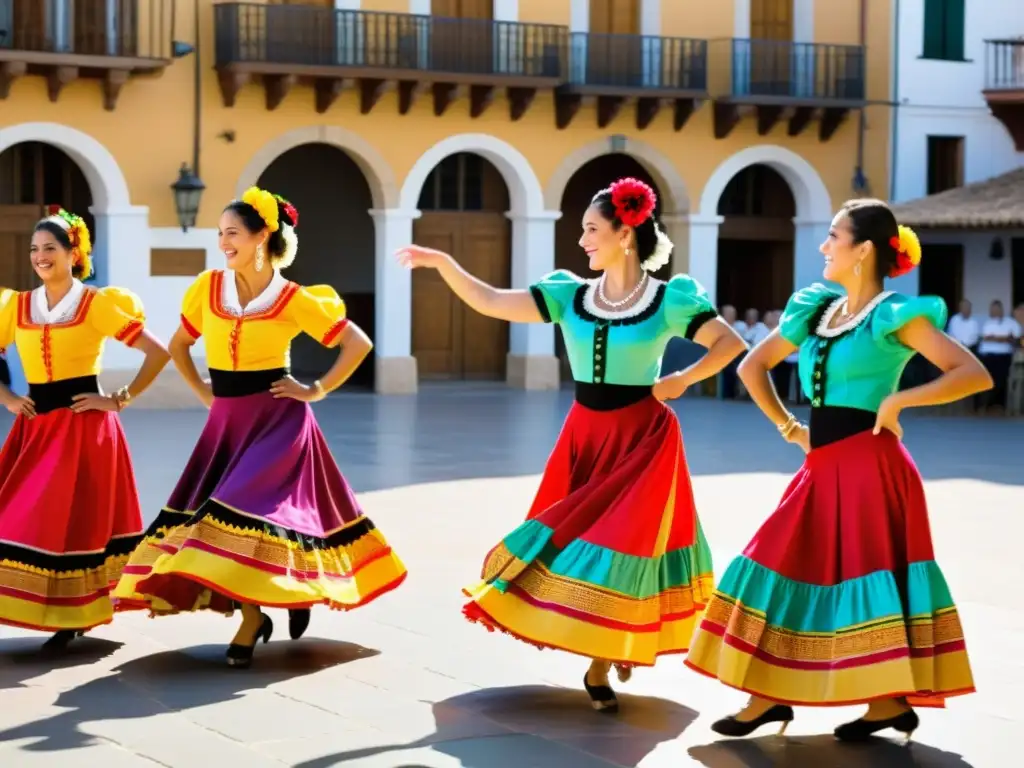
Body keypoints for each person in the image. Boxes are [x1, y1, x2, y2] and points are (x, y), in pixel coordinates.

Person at [397, 177, 747, 712]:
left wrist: (683, 379)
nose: (582, 240)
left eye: (591, 229)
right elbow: (492, 301)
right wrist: (444, 263)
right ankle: (609, 637)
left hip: (641, 440)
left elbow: (730, 343)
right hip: (585, 435)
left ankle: (602, 658)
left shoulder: (668, 300)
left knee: (624, 542)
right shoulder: (570, 295)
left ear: (625, 234)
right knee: (573, 536)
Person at [685, 199, 992, 741]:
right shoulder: (818, 310)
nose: (824, 246)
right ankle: (781, 696)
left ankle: (873, 702)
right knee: (786, 561)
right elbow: (753, 364)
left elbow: (972, 373)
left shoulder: (894, 315)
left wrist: (897, 404)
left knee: (856, 573)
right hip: (825, 463)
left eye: (833, 236)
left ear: (864, 250)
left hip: (872, 467)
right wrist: (790, 428)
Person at [113, 187, 407, 668]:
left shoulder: (294, 297)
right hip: (227, 421)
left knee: (244, 511)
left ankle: (256, 617)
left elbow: (357, 343)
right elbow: (179, 344)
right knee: (215, 518)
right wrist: (204, 393)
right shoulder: (207, 288)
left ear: (262, 236)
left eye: (232, 233)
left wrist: (316, 390)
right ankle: (256, 611)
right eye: (221, 234)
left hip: (278, 421)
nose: (224, 242)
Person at [0, 207, 171, 650]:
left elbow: (157, 353)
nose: (40, 256)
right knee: (21, 516)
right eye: (35, 249)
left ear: (73, 253)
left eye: (50, 248)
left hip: (84, 430)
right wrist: (9, 398)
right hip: (35, 430)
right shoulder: (17, 305)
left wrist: (117, 399)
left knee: (74, 523)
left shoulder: (97, 304)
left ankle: (71, 615)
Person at [977, 300, 1021, 410]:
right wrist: (1002, 338)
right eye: (991, 309)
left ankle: (999, 405)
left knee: (1001, 379)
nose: (993, 311)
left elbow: (1015, 339)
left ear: (1001, 309)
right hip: (987, 355)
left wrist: (996, 338)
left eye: (995, 309)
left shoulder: (1011, 323)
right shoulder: (987, 323)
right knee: (986, 379)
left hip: (1003, 355)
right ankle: (986, 405)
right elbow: (985, 338)